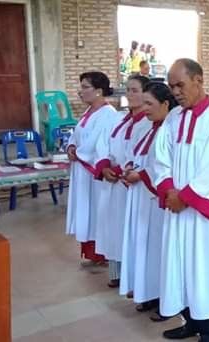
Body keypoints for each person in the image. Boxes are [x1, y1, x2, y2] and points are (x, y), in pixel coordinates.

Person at [153, 59, 209, 341]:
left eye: (180, 85)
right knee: (182, 268)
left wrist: (186, 197)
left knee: (208, 271)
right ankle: (191, 322)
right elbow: (160, 157)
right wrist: (169, 189)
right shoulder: (173, 118)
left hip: (207, 216)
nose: (176, 92)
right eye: (171, 87)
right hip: (179, 210)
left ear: (199, 80)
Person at [119, 81, 177, 320]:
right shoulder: (149, 126)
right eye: (143, 103)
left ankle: (166, 298)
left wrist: (141, 174)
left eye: (149, 104)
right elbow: (140, 154)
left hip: (158, 200)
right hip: (143, 198)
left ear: (165, 104)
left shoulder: (171, 127)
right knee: (146, 248)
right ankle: (149, 292)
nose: (144, 109)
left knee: (160, 250)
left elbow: (167, 165)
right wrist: (131, 167)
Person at [94, 74, 152, 288]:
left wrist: (118, 169)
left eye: (134, 90)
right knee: (114, 228)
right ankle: (117, 272)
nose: (129, 94)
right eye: (127, 89)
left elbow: (137, 155)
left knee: (130, 231)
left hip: (128, 182)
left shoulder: (147, 122)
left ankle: (132, 277)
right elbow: (104, 144)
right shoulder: (121, 119)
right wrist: (103, 166)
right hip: (113, 182)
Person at [66, 71, 118, 267]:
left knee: (95, 211)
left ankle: (101, 252)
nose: (81, 92)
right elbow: (77, 135)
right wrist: (71, 147)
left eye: (85, 87)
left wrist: (79, 152)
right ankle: (90, 251)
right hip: (82, 170)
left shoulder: (108, 114)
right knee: (86, 211)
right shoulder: (88, 112)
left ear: (98, 91)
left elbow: (99, 143)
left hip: (93, 172)